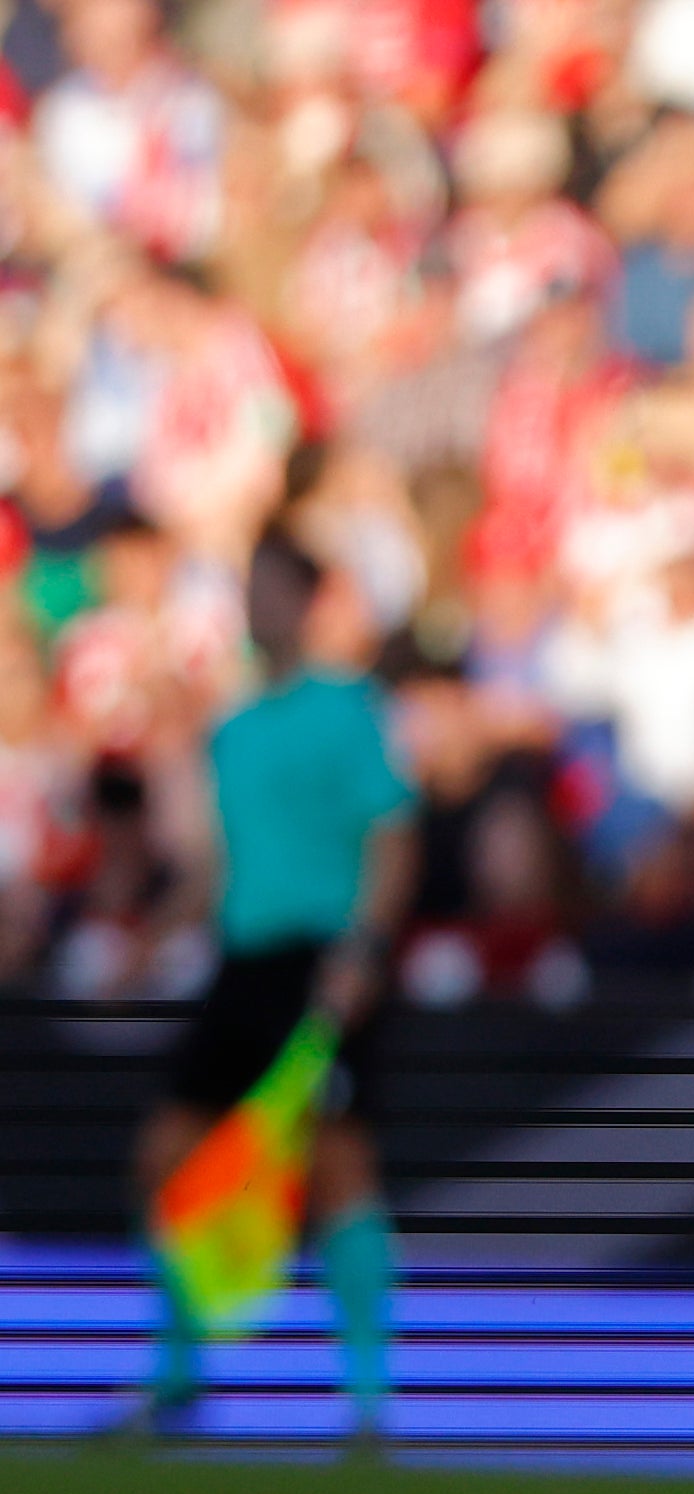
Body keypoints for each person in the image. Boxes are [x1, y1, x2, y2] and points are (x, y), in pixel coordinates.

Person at [129, 526, 418, 1442]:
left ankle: (370, 1400)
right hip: (244, 958)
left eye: (271, 588)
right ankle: (178, 1375)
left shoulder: (348, 707)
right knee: (169, 1154)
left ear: (305, 598)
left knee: (337, 1166)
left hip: (320, 956)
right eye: (248, 589)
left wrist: (366, 949)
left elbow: (392, 837)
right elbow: (223, 863)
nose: (257, 606)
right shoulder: (235, 726)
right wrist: (153, 933)